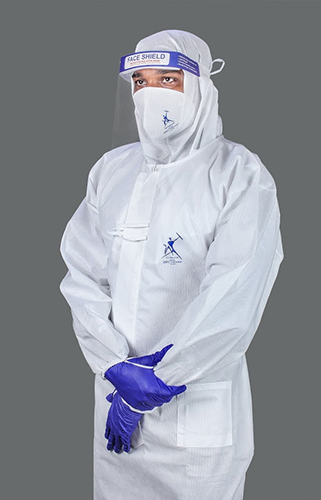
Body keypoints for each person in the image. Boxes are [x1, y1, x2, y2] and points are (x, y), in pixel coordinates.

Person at [59, 29, 284, 500]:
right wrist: (114, 365)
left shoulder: (239, 174)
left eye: (167, 79)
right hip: (116, 410)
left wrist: (157, 380)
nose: (151, 93)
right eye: (140, 81)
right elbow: (82, 278)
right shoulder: (111, 171)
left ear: (200, 84)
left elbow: (233, 299)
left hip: (194, 414)